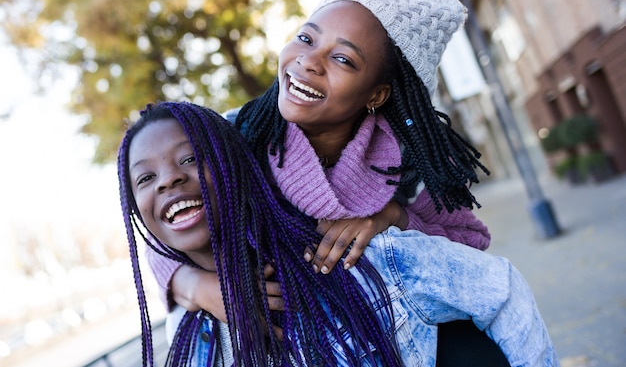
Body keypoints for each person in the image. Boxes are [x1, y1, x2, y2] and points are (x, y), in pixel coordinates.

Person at [147, 0, 505, 364]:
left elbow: (470, 243)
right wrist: (198, 287)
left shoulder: (407, 160)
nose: (309, 61)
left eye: (343, 59)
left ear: (376, 94)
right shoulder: (235, 138)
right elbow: (162, 221)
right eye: (306, 38)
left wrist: (393, 216)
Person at [119, 101, 559, 367]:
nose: (167, 181)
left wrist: (389, 213)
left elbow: (499, 289)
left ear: (238, 167)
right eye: (144, 179)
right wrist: (192, 284)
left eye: (191, 159)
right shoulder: (191, 342)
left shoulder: (355, 259)